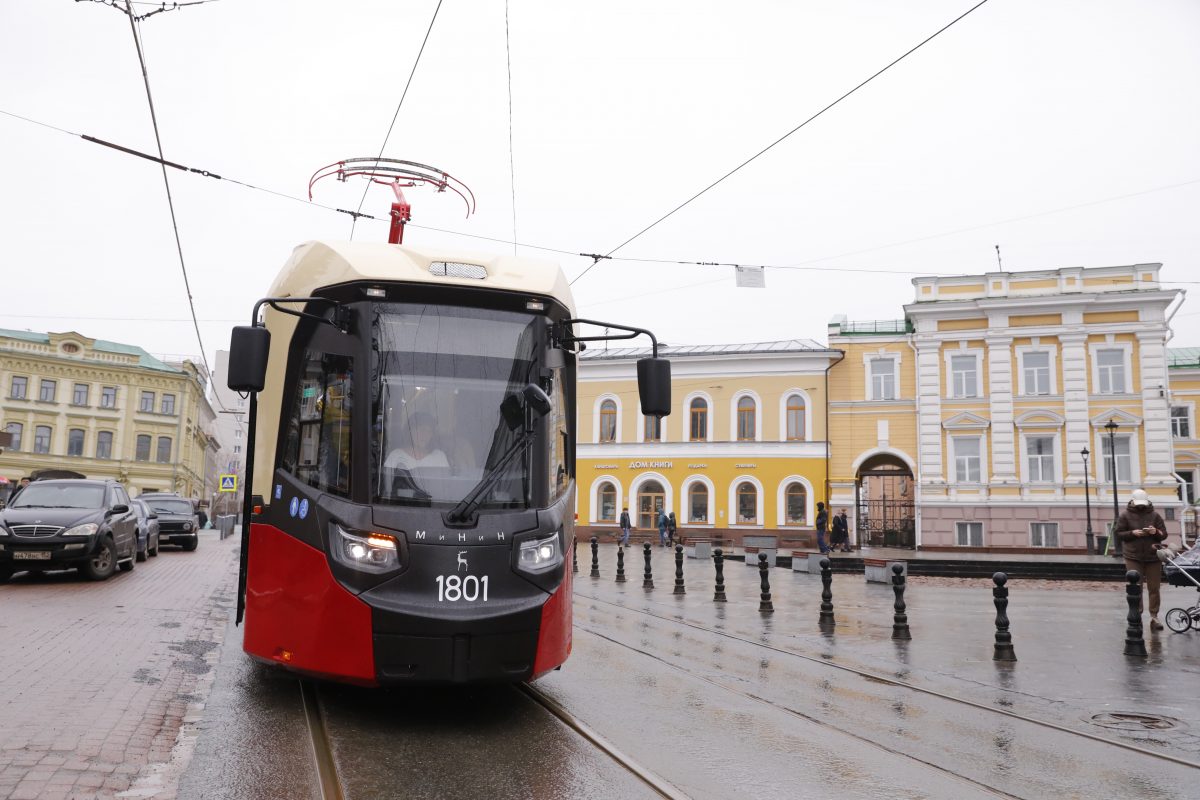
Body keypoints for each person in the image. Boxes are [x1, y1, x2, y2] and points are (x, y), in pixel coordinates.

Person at [1114, 488, 1169, 631]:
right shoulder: (1125, 515)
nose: (1141, 506)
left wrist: (1155, 532)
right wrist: (1132, 533)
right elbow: (1119, 533)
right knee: (1135, 587)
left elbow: (1164, 535)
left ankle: (1154, 617)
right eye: (1138, 503)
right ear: (1132, 501)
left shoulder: (1155, 515)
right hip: (1133, 556)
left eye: (1143, 503)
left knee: (1154, 588)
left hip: (1153, 556)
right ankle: (1136, 615)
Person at [384, 412, 449, 471]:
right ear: (410, 431)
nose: (425, 435)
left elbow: (445, 483)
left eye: (429, 431)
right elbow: (387, 482)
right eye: (421, 429)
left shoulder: (439, 457)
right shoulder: (396, 456)